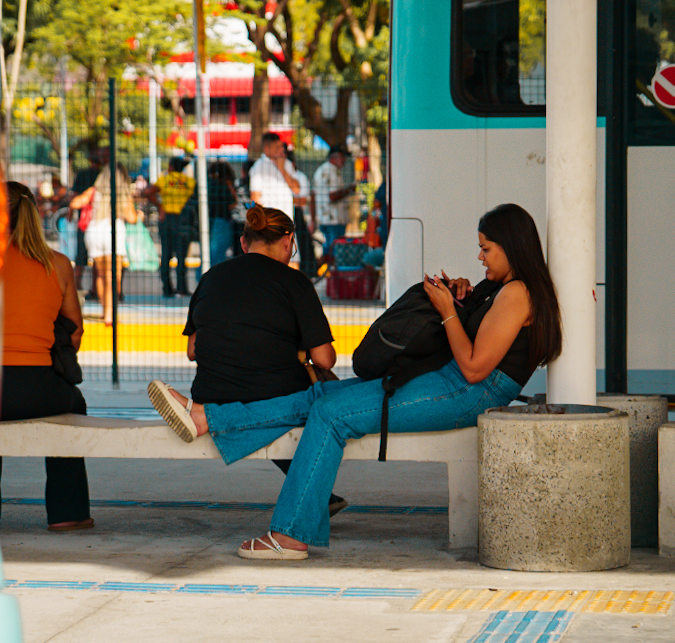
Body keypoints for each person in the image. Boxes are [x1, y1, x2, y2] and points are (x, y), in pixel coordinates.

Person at [148, 203, 558, 560]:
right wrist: (463, 294)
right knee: (320, 392)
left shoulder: (518, 293)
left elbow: (473, 367)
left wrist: (448, 309)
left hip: (467, 390)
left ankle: (290, 535)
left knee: (330, 414)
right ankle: (205, 418)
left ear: (511, 245)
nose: (481, 256)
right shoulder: (501, 287)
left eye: (487, 248)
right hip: (448, 380)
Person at [158, 204, 347, 514]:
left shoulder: (210, 277)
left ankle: (322, 497)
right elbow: (325, 360)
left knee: (263, 400)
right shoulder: (295, 283)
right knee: (322, 398)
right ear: (288, 241)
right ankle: (313, 498)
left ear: (244, 243)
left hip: (211, 393)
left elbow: (193, 351)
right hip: (274, 396)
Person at [0, 182, 93, 531]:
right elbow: (75, 332)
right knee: (73, 404)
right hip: (41, 390)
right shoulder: (58, 264)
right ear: (33, 214)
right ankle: (69, 513)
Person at [71, 146, 128, 323]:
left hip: (93, 231)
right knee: (113, 276)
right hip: (112, 230)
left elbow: (74, 202)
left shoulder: (93, 190)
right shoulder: (120, 192)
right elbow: (131, 216)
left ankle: (106, 312)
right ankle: (111, 313)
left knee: (101, 275)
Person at [249, 133, 313, 275]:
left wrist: (282, 168)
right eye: (278, 146)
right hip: (270, 226)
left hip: (288, 224)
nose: (282, 149)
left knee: (293, 262)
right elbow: (256, 200)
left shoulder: (286, 164)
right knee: (270, 265)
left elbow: (297, 189)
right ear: (267, 147)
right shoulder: (258, 168)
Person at [153, 155, 197, 297]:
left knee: (166, 254)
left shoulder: (165, 179)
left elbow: (147, 191)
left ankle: (167, 288)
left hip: (166, 218)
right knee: (181, 256)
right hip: (183, 219)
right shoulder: (189, 182)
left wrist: (160, 206)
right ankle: (182, 288)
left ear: (171, 166)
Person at [311, 145, 357, 251]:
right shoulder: (331, 171)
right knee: (333, 252)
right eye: (343, 156)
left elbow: (313, 195)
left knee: (329, 251)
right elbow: (332, 196)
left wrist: (313, 219)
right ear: (334, 157)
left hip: (325, 219)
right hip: (334, 221)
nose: (345, 160)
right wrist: (349, 189)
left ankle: (320, 265)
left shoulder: (320, 170)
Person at [201, 160, 240, 282]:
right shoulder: (223, 185)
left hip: (208, 221)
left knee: (209, 254)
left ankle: (205, 279)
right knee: (218, 255)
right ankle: (218, 280)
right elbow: (232, 202)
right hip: (222, 220)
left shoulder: (206, 183)